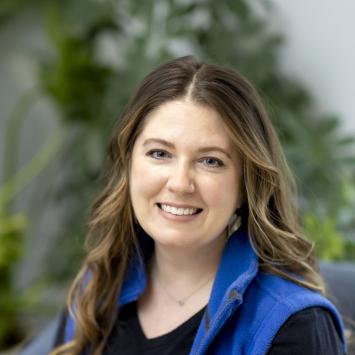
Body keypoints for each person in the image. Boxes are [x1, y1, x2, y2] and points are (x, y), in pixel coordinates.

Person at [51, 56, 346, 355]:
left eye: (210, 161)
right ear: (129, 165)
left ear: (246, 185)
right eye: (159, 153)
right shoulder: (96, 290)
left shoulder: (293, 325)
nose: (180, 183)